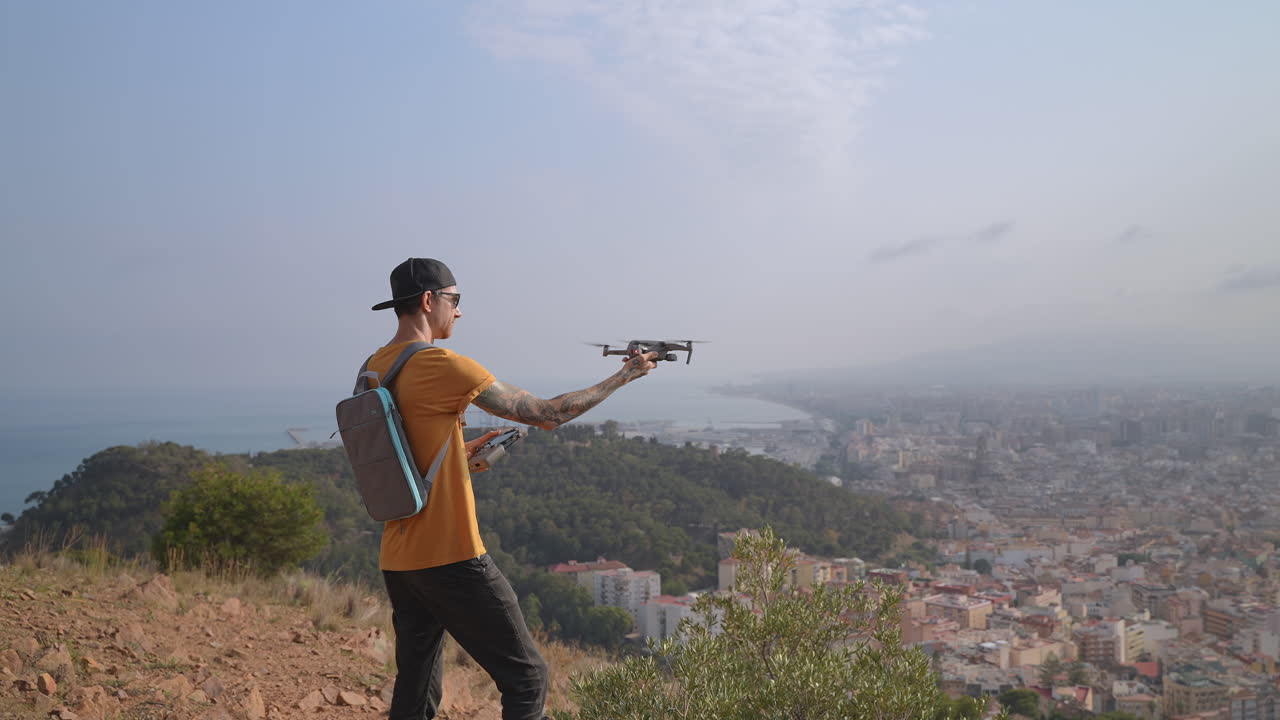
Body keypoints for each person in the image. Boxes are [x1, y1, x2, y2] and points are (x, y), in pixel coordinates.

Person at [363, 257, 657, 720]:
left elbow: (399, 452)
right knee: (528, 678)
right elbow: (548, 413)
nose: (458, 312)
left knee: (417, 687)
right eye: (455, 301)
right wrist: (627, 374)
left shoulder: (374, 367)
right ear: (428, 301)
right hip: (451, 554)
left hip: (399, 557)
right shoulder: (441, 363)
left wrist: (459, 454)